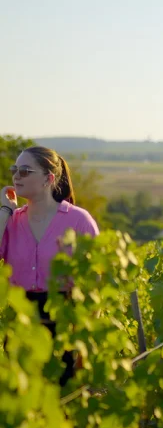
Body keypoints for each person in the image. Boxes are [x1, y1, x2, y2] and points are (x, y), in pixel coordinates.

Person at [0, 146, 99, 386]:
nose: (16, 176)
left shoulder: (79, 221)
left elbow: (94, 287)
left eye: (25, 171)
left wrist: (85, 345)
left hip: (64, 326)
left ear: (48, 178)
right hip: (19, 325)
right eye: (15, 170)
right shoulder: (12, 221)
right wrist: (4, 211)